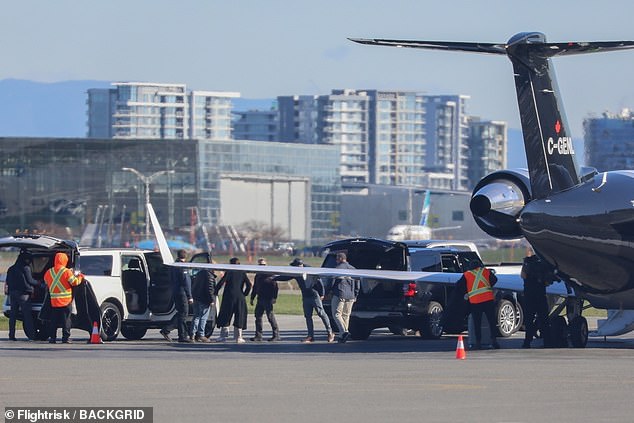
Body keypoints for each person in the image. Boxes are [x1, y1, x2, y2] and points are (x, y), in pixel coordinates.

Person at [276, 258, 335, 343]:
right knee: (308, 316)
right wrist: (274, 278)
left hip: (314, 295)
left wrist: (322, 294)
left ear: (299, 265)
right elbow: (286, 277)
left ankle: (330, 333)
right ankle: (310, 336)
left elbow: (319, 282)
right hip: (305, 296)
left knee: (321, 313)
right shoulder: (296, 273)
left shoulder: (310, 270)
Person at [456, 259, 500, 350]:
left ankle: (478, 343)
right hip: (488, 300)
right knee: (491, 321)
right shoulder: (486, 271)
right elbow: (495, 279)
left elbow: (459, 285)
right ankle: (494, 341)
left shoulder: (467, 274)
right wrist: (488, 286)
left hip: (475, 302)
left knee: (477, 323)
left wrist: (467, 292)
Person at [43, 252, 84, 344]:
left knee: (53, 321)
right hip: (65, 301)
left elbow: (46, 281)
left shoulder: (49, 272)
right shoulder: (66, 272)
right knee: (66, 321)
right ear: (65, 261)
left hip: (54, 302)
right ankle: (65, 338)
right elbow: (75, 282)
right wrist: (80, 277)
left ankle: (52, 338)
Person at [160, 249, 194, 343]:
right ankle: (180, 335)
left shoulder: (174, 265)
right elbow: (186, 282)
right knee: (183, 314)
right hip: (182, 292)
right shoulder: (183, 267)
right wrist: (189, 296)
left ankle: (176, 333)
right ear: (185, 256)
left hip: (175, 291)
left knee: (180, 313)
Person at [521, 254, 554, 348]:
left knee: (529, 320)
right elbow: (547, 282)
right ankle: (547, 341)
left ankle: (527, 341)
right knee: (544, 319)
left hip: (529, 296)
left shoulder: (527, 264)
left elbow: (523, 276)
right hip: (540, 295)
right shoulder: (543, 266)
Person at [215, 257, 251, 343]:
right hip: (239, 296)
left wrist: (215, 291)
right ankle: (238, 337)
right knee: (239, 316)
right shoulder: (242, 272)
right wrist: (244, 294)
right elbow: (249, 285)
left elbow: (221, 282)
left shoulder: (229, 271)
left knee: (225, 315)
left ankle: (223, 336)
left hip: (229, 296)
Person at [6, 252, 39, 340]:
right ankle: (32, 336)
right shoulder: (25, 268)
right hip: (23, 294)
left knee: (13, 315)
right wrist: (39, 283)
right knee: (27, 315)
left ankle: (11, 335)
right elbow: (30, 281)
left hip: (12, 294)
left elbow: (7, 282)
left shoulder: (11, 269)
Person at [329, 252, 359, 343]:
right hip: (351, 295)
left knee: (337, 314)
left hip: (339, 294)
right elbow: (357, 284)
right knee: (346, 315)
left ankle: (344, 331)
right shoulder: (353, 269)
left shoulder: (338, 268)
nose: (336, 261)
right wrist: (355, 294)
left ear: (341, 259)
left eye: (337, 259)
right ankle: (343, 335)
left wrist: (329, 290)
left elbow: (332, 281)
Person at [249, 258, 281, 342]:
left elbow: (275, 288)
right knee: (258, 317)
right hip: (260, 298)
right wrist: (252, 298)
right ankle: (258, 335)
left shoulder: (270, 275)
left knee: (270, 317)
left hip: (268, 299)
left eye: (263, 265)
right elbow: (255, 287)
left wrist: (274, 298)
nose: (261, 266)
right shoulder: (258, 276)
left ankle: (276, 334)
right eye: (260, 265)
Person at [191, 253, 217, 343]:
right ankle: (201, 335)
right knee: (203, 317)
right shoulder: (209, 275)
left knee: (196, 317)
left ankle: (192, 334)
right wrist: (211, 300)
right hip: (204, 299)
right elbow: (210, 289)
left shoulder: (199, 273)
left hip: (197, 298)